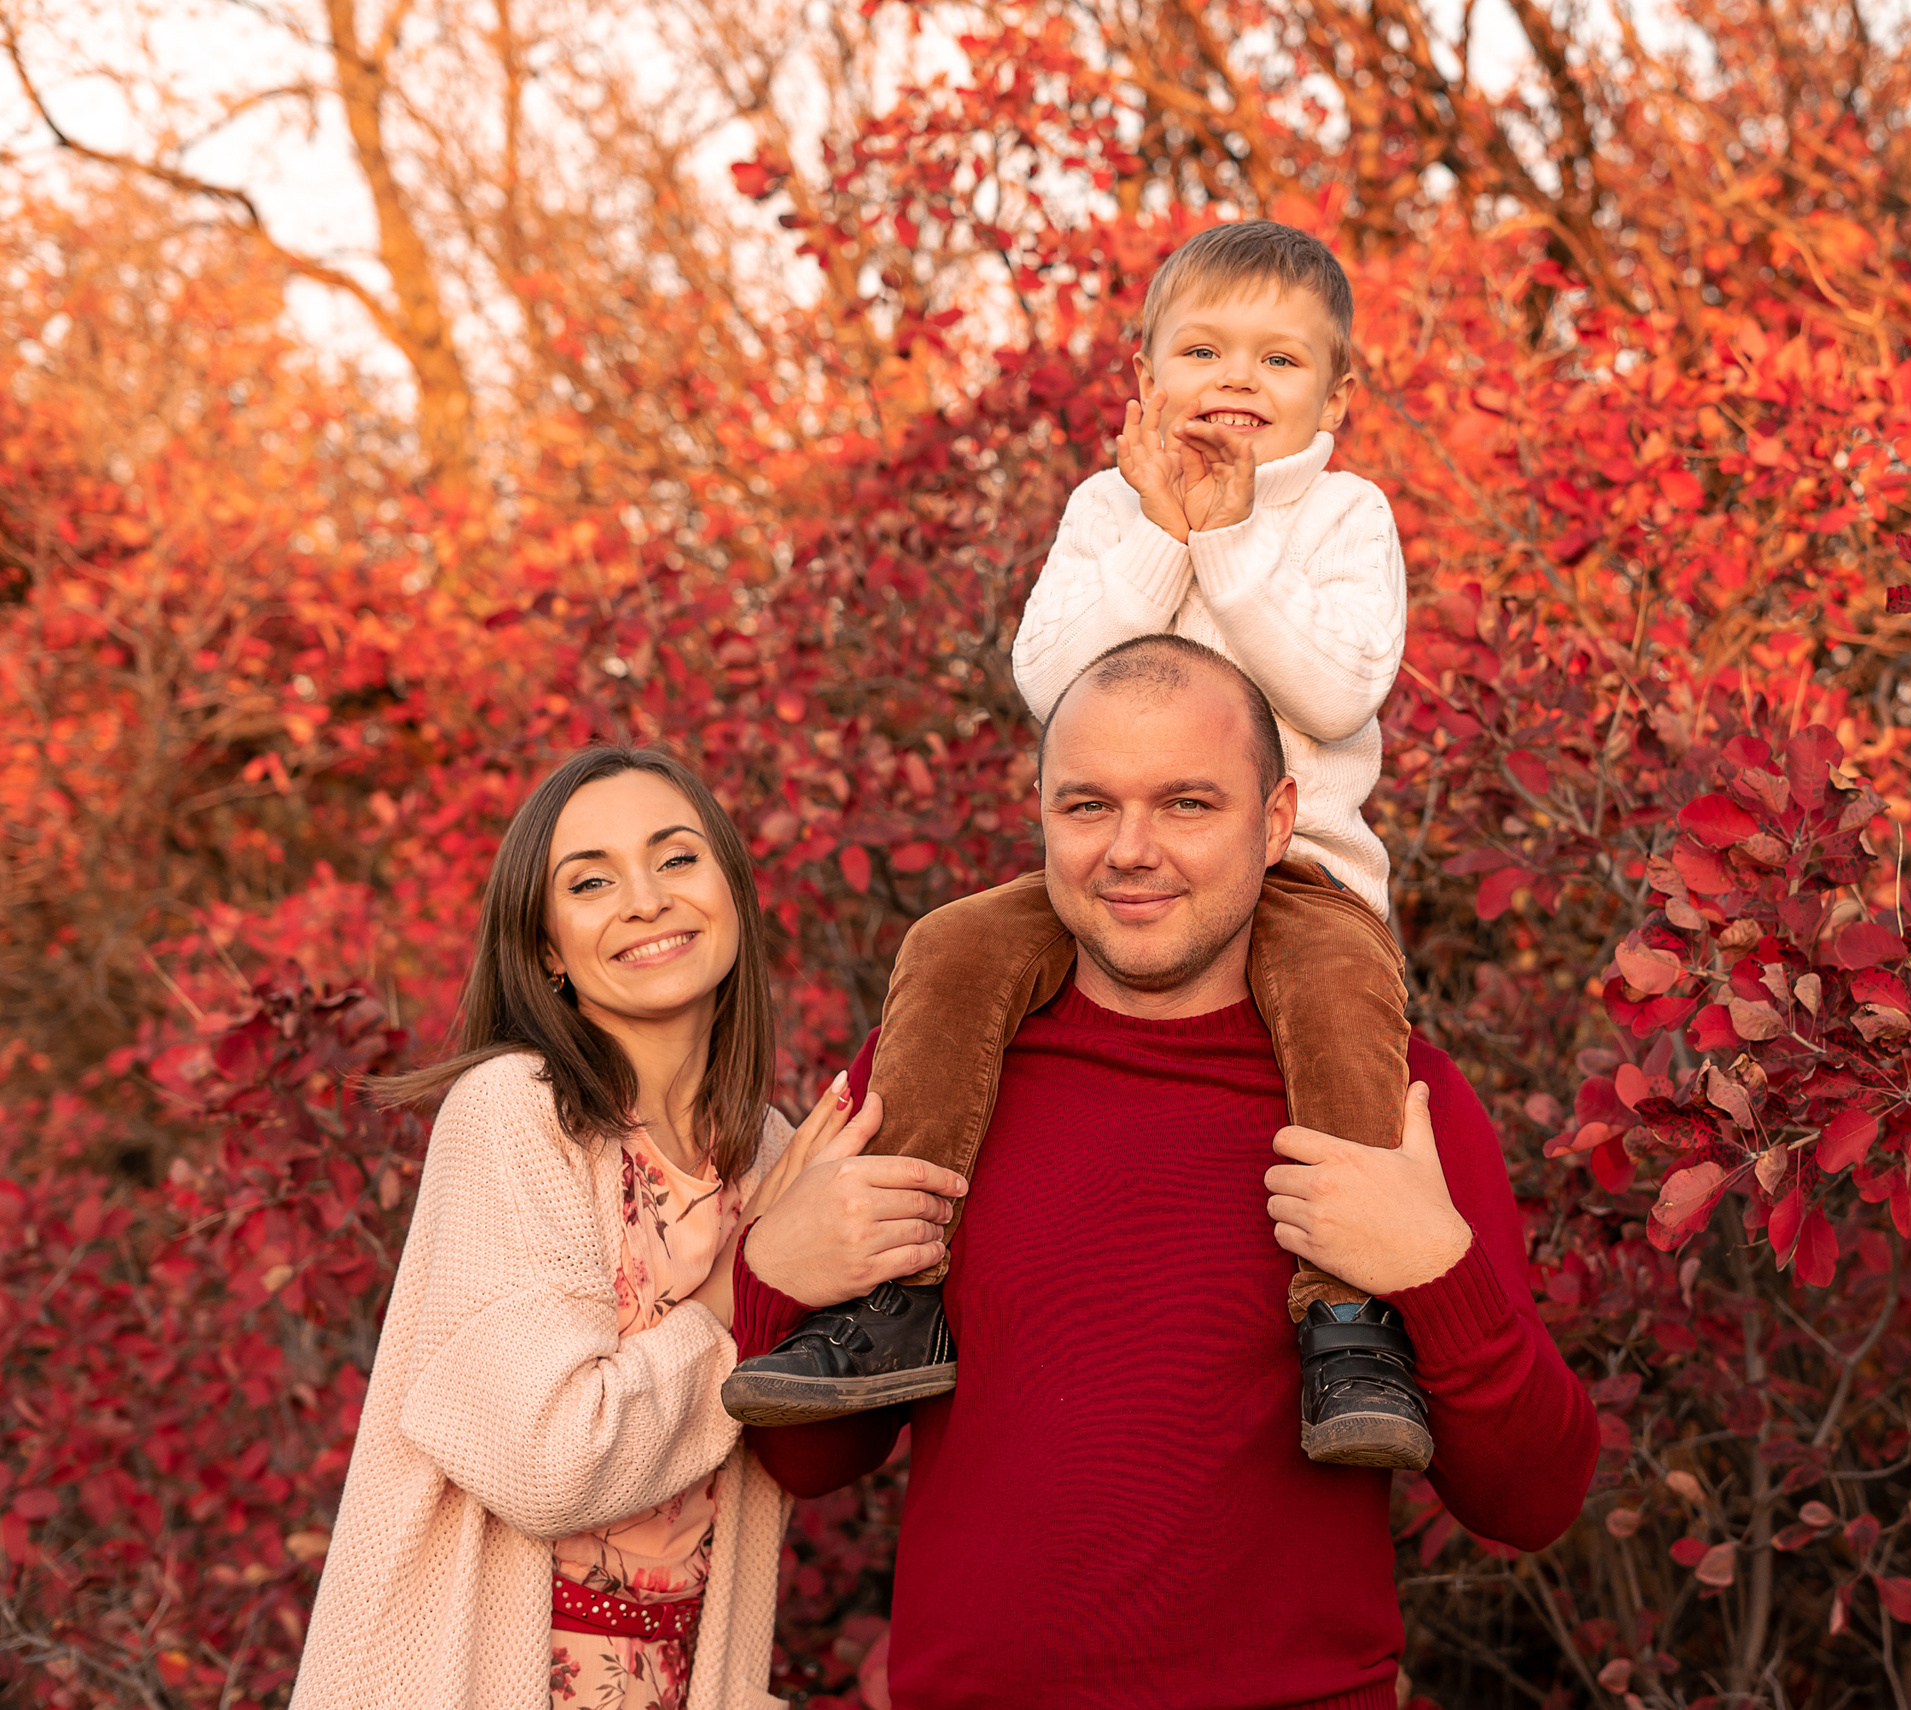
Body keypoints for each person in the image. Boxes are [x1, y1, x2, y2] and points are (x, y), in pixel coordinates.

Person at [721, 640, 1600, 1708]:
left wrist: (1435, 1272)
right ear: (1039, 811)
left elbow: (1535, 1502)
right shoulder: (932, 1080)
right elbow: (816, 1464)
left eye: (1187, 804)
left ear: (1275, 821)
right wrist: (774, 1266)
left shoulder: (1389, 1104)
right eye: (1087, 807)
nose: (1129, 851)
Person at [722, 219, 1429, 1468]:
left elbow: (1333, 695)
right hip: (1108, 878)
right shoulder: (1109, 507)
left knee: (1342, 989)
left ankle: (1349, 1320)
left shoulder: (1343, 516)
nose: (1236, 383)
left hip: (1300, 869)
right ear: (1142, 375)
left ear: (1337, 394)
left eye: (1278, 362)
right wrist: (1162, 529)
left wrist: (1225, 545)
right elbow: (1054, 683)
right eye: (1204, 351)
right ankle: (897, 1293)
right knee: (952, 948)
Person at [290, 746, 968, 1710]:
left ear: (733, 892)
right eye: (592, 881)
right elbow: (549, 1461)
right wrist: (760, 1269)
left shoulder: (771, 1155)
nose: (645, 899)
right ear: (548, 951)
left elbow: (811, 1449)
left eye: (677, 859)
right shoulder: (514, 1115)